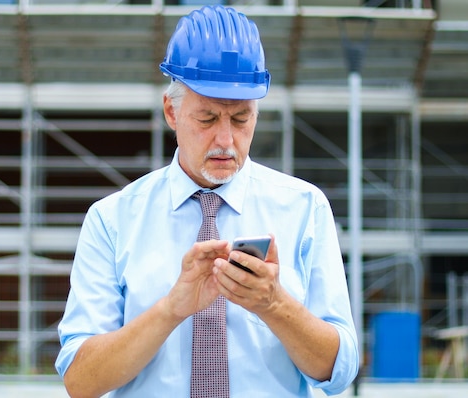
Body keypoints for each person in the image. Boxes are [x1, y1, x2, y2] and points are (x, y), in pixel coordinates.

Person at [55, 5, 358, 397]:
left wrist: (274, 305)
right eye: (207, 119)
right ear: (172, 112)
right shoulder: (112, 220)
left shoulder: (305, 210)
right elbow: (81, 382)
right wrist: (171, 310)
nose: (226, 141)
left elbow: (338, 372)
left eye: (241, 119)